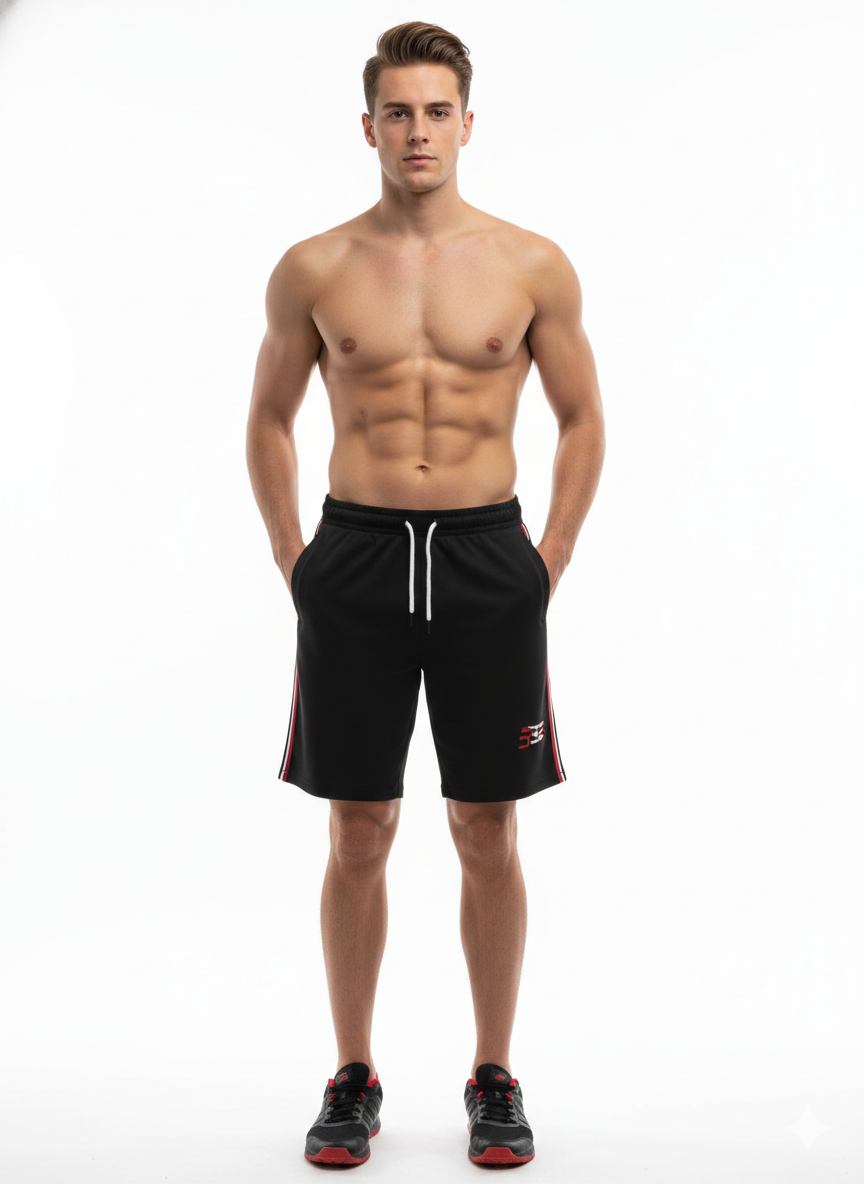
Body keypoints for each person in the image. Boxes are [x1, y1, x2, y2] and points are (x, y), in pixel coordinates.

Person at [245, 20, 605, 1168]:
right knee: (359, 828)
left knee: (485, 825)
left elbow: (582, 418)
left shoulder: (531, 262)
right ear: (368, 127)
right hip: (352, 560)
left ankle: (494, 1072)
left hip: (488, 560)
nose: (417, 131)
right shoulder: (314, 266)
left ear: (467, 123)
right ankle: (352, 1072)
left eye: (436, 111)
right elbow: (268, 418)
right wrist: (294, 555)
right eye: (397, 112)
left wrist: (548, 555)